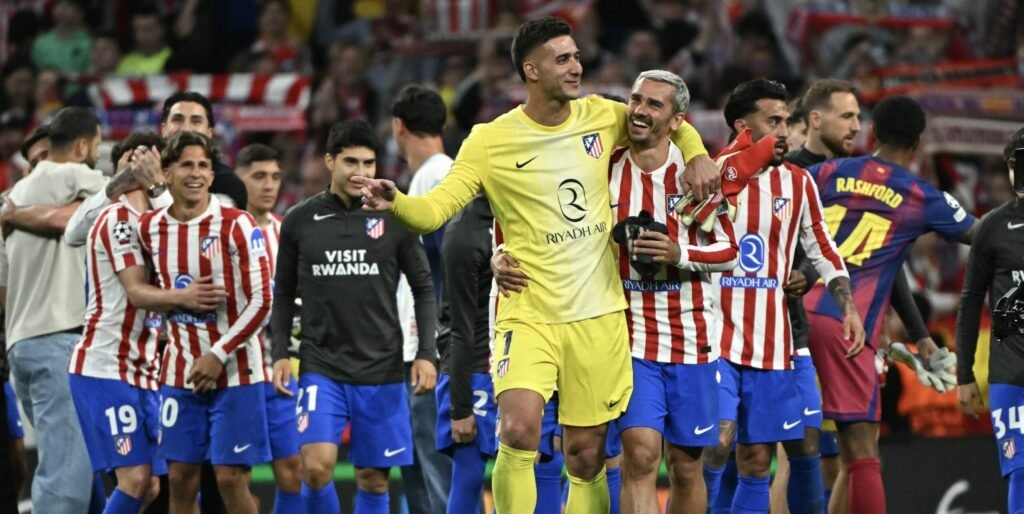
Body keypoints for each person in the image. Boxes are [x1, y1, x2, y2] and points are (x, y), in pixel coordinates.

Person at [353, 16, 720, 513]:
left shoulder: (603, 115)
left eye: (576, 56)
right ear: (531, 70)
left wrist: (697, 153)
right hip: (527, 313)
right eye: (563, 59)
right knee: (520, 429)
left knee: (585, 454)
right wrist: (395, 199)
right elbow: (434, 211)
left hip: (596, 316)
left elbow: (666, 119)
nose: (577, 67)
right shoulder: (489, 140)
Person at [804, 95, 977, 514]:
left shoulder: (827, 172)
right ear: (918, 143)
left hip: (791, 314)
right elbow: (985, 234)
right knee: (862, 453)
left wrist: (919, 336)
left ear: (872, 132)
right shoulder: (920, 195)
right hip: (846, 324)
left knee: (792, 451)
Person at [701, 78, 865, 514]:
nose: (784, 132)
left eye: (786, 121)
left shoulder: (798, 183)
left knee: (756, 460)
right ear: (742, 126)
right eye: (772, 121)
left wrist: (848, 307)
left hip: (773, 345)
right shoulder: (708, 175)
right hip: (714, 338)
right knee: (715, 445)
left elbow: (824, 250)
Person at [270, 120, 438, 514]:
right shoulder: (299, 220)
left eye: (368, 162)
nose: (360, 172)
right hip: (320, 365)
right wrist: (280, 351)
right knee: (315, 468)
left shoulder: (394, 215)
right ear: (329, 161)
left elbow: (424, 288)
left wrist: (427, 352)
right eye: (350, 161)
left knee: (373, 477)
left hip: (381, 368)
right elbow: (282, 293)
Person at [120, 131, 272, 514]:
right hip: (179, 373)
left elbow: (263, 300)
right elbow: (143, 289)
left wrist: (218, 354)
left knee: (230, 479)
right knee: (182, 481)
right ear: (166, 173)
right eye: (187, 164)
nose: (197, 173)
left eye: (204, 165)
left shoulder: (237, 224)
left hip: (236, 371)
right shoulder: (149, 227)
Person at [609, 70, 739, 514]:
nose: (640, 111)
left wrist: (677, 251)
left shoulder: (694, 179)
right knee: (640, 455)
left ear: (677, 120)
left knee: (686, 467)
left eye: (654, 105)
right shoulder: (604, 169)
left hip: (690, 337)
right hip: (629, 338)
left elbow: (729, 251)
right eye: (636, 100)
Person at [66, 131, 180, 514]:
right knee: (133, 480)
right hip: (106, 366)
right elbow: (139, 290)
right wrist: (189, 296)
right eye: (137, 160)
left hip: (144, 369)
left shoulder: (153, 222)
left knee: (149, 486)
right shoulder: (118, 219)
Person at [1, 106, 107, 513]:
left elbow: (3, 290)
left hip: (22, 346)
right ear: (82, 146)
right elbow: (104, 205)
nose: (98, 153)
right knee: (65, 479)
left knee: (74, 461)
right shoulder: (80, 177)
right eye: (97, 145)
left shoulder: (11, 197)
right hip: (61, 341)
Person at [391, 84, 453, 514]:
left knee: (438, 475)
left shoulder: (436, 176)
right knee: (418, 469)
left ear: (398, 127)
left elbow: (443, 269)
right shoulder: (429, 176)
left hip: (427, 348)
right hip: (421, 346)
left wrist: (430, 346)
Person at [957, 126, 1024, 514]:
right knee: (1019, 471)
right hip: (1010, 374)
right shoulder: (992, 227)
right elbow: (969, 302)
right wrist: (964, 375)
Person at [235, 143, 304, 513]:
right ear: (238, 178)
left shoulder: (288, 233)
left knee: (292, 471)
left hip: (280, 371)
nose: (269, 185)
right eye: (259, 176)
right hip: (236, 372)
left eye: (275, 177)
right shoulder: (223, 230)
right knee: (234, 475)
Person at [435, 193, 496, 514]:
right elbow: (459, 326)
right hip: (475, 370)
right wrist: (460, 407)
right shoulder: (465, 232)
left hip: (527, 362)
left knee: (535, 467)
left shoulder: (530, 210)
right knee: (470, 475)